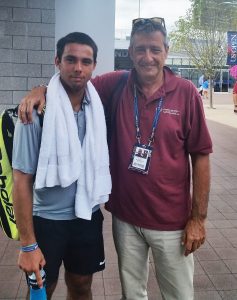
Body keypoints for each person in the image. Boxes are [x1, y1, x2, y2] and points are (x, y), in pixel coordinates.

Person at [18, 17, 212, 300]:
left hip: (172, 222)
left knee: (179, 295)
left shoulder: (185, 93)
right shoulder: (116, 84)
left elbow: (201, 156)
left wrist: (199, 218)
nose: (148, 57)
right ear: (130, 53)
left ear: (165, 52)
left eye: (155, 50)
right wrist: (41, 90)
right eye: (141, 49)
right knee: (130, 294)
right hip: (125, 220)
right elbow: (70, 83)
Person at [12, 32, 111, 300]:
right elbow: (20, 180)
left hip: (86, 215)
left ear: (94, 66)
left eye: (86, 61)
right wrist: (28, 244)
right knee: (44, 289)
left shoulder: (97, 107)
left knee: (81, 286)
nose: (78, 68)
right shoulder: (34, 112)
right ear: (57, 61)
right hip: (47, 222)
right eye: (70, 59)